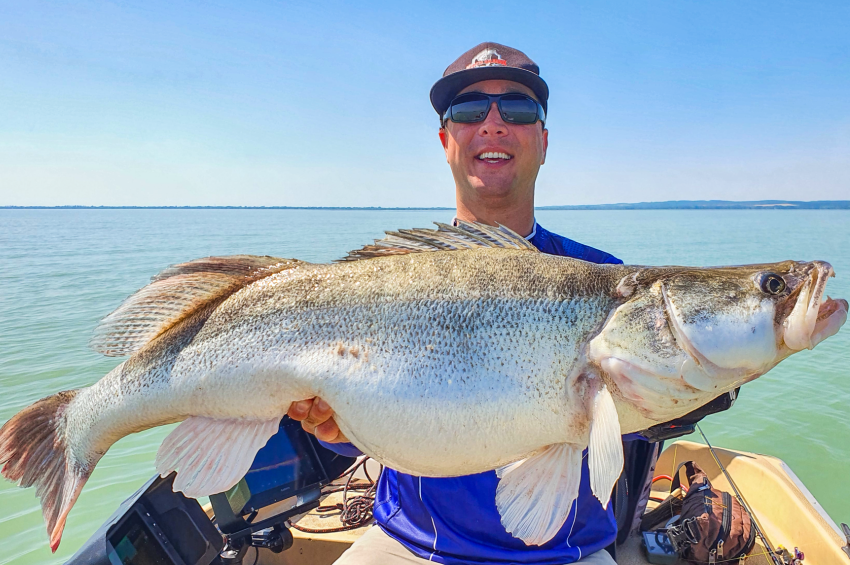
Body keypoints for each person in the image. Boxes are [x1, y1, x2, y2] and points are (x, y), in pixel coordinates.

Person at [287, 43, 622, 564]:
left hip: (566, 553)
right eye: (468, 112)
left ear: (544, 140)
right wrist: (337, 428)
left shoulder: (605, 280)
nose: (492, 125)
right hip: (410, 542)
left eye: (518, 109)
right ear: (446, 140)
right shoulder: (384, 281)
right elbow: (360, 431)